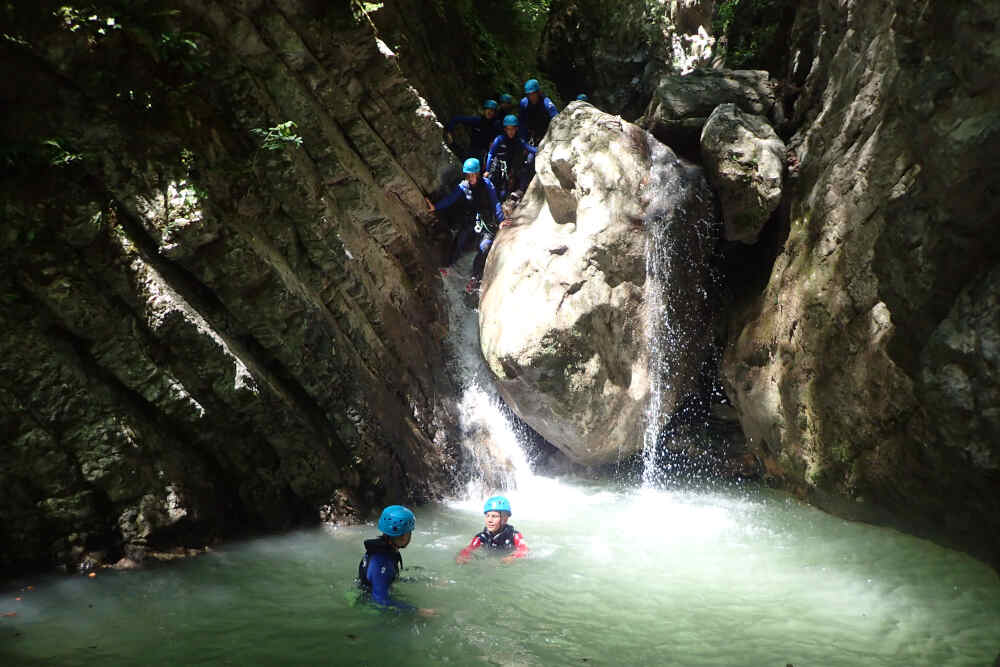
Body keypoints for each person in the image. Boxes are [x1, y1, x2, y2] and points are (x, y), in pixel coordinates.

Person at [425, 157, 505, 292]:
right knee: (460, 238)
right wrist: (436, 207)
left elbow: (495, 202)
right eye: (467, 175)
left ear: (477, 174)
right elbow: (450, 199)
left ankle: (475, 279)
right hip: (472, 221)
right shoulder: (463, 186)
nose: (470, 178)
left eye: (472, 175)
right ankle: (449, 266)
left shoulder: (487, 185)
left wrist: (501, 220)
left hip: (487, 222)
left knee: (483, 247)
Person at [358, 505, 434, 615]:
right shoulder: (381, 563)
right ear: (403, 536)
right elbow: (380, 601)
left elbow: (390, 578)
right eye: (410, 533)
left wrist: (426, 581)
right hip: (369, 606)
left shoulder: (385, 551)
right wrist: (417, 611)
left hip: (369, 591)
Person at [455, 496, 529, 565]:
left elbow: (524, 549)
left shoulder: (515, 535)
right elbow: (469, 548)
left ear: (505, 519)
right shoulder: (481, 537)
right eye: (487, 516)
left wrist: (513, 557)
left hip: (504, 560)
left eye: (494, 516)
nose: (489, 520)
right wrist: (463, 555)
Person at [484, 114, 537, 203]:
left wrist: (543, 149)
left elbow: (530, 148)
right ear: (505, 129)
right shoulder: (499, 139)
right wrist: (487, 170)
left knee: (504, 192)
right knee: (492, 184)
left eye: (512, 129)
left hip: (508, 167)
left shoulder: (518, 140)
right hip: (497, 166)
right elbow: (490, 154)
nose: (510, 131)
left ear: (516, 129)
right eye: (508, 129)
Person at [518, 78, 558, 145]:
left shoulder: (547, 103)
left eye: (533, 94)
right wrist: (523, 140)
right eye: (529, 94)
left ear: (538, 92)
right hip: (531, 135)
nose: (531, 97)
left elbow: (556, 120)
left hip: (546, 135)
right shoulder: (524, 103)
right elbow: (522, 123)